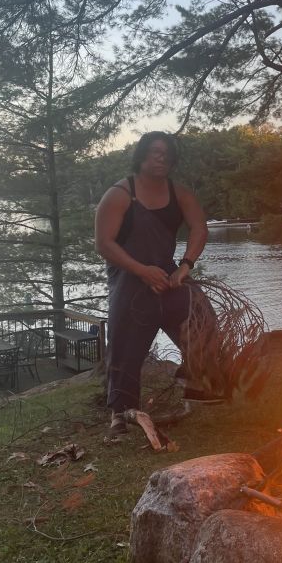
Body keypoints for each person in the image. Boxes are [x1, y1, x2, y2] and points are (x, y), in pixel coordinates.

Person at [95, 131, 209, 433]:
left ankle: (197, 383)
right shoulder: (119, 194)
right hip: (128, 277)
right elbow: (104, 243)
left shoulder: (179, 193)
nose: (161, 157)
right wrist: (142, 271)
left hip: (168, 274)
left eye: (167, 153)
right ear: (141, 155)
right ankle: (121, 412)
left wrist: (184, 267)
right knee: (124, 344)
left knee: (200, 315)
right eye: (155, 151)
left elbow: (199, 228)